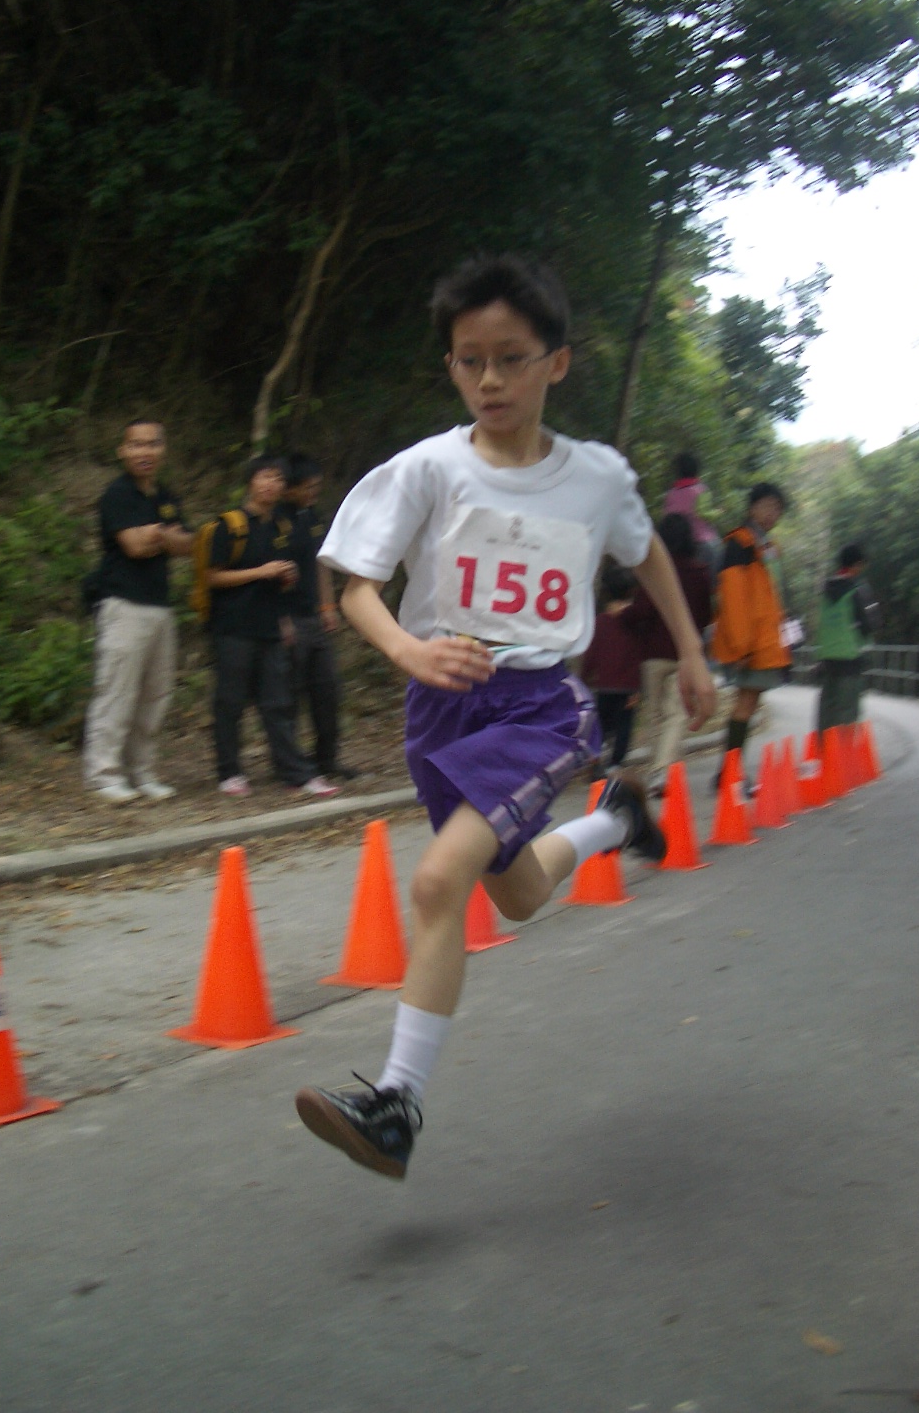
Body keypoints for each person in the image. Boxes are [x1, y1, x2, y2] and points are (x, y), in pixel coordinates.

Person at [294, 254, 716, 1178]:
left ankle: (395, 1106)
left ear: (555, 362)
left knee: (438, 884)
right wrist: (407, 650)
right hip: (440, 705)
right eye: (469, 360)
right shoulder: (426, 469)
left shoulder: (595, 477)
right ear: (451, 365)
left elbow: (647, 553)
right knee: (516, 893)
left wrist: (690, 650)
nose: (490, 380)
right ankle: (616, 820)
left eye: (512, 358)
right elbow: (357, 584)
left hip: (539, 705)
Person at [207, 454, 338, 798]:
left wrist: (284, 608)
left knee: (278, 702)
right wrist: (260, 572)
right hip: (233, 627)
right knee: (231, 701)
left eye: (278, 479)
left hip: (271, 628)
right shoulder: (230, 525)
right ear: (251, 481)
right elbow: (213, 576)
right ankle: (229, 771)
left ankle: (296, 772)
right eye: (265, 477)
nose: (271, 485)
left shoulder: (281, 528)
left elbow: (280, 583)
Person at [83, 418, 193, 804]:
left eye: (152, 444)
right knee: (117, 689)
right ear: (123, 451)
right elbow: (133, 545)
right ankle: (104, 773)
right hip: (123, 604)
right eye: (136, 445)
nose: (145, 452)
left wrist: (156, 536)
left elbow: (189, 545)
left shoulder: (165, 497)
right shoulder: (118, 494)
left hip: (159, 606)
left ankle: (142, 771)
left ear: (163, 449)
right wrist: (164, 535)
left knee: (155, 695)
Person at [623, 511, 714, 793]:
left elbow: (641, 610)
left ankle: (657, 769)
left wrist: (620, 615)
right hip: (684, 656)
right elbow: (706, 615)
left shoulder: (655, 573)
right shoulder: (700, 574)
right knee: (677, 714)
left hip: (652, 653)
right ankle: (662, 770)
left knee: (655, 714)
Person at [709, 481, 792, 787]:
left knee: (749, 702)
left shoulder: (766, 546)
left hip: (764, 640)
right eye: (767, 506)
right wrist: (741, 646)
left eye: (777, 509)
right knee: (745, 703)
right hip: (750, 642)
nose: (772, 513)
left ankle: (729, 772)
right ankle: (730, 774)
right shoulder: (740, 544)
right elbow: (733, 599)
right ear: (752, 507)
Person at [283, 453, 354, 782]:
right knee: (290, 693)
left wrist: (328, 606)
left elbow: (321, 562)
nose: (313, 492)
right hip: (290, 616)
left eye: (316, 487)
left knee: (327, 689)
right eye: (307, 487)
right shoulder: (277, 520)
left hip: (314, 615)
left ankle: (327, 758)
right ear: (291, 488)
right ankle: (291, 761)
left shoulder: (311, 517)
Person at [578, 564, 641, 772]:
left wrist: (584, 677)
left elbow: (592, 653)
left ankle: (596, 761)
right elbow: (637, 653)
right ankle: (615, 763)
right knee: (624, 726)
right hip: (628, 685)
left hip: (604, 684)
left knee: (601, 726)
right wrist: (638, 686)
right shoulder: (634, 621)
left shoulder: (600, 622)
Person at [816, 543, 878, 735]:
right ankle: (843, 751)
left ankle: (823, 749)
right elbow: (870, 624)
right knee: (847, 710)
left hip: (828, 657)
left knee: (828, 708)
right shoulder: (858, 589)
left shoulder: (826, 589)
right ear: (857, 564)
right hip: (850, 657)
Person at [663, 452, 721, 572]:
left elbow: (667, 516)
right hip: (703, 541)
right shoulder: (701, 490)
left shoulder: (671, 494)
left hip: (679, 547)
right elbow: (703, 513)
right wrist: (717, 512)